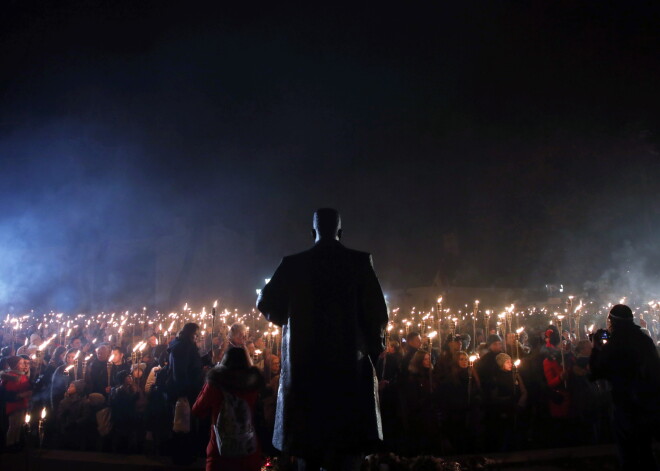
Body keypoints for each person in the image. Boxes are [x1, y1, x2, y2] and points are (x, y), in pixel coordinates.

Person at [257, 208, 388, 471]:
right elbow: (378, 315)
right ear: (340, 231)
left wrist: (288, 318)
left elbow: (265, 301)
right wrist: (371, 351)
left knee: (309, 446)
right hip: (348, 371)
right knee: (347, 448)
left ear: (312, 231)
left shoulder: (293, 264)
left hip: (306, 370)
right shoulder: (359, 262)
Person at [590, 304, 660, 470]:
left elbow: (595, 373)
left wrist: (596, 348)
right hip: (647, 405)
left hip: (624, 406)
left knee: (628, 454)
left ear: (612, 321)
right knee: (645, 451)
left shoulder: (614, 344)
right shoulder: (645, 340)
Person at [192, 346, 264, 471]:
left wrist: (208, 383)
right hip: (248, 448)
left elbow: (197, 410)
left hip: (221, 450)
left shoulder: (216, 384)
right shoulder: (253, 384)